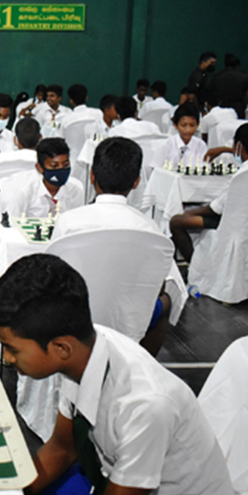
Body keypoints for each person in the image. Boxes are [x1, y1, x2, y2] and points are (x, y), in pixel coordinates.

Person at [0, 253, 238, 495]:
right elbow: (62, 449)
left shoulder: (145, 406)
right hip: (106, 478)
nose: (6, 357)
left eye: (13, 348)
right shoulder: (87, 349)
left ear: (60, 348)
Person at [53, 137, 179, 356]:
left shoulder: (69, 222)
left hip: (71, 323)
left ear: (92, 175)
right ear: (137, 182)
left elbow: (55, 277)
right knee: (166, 301)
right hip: (127, 325)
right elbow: (158, 285)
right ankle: (140, 365)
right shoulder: (150, 229)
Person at [169, 123, 248, 261]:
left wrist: (190, 212)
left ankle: (193, 266)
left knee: (177, 221)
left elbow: (215, 209)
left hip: (236, 223)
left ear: (239, 145)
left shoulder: (243, 175)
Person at [0, 138, 84, 218]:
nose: (61, 170)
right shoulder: (25, 194)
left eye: (66, 165)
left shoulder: (75, 193)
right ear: (39, 168)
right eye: (54, 166)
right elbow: (11, 224)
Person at [158, 103, 207, 170]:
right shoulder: (166, 145)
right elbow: (156, 169)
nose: (188, 129)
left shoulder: (201, 145)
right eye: (183, 125)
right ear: (175, 125)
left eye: (192, 125)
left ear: (198, 124)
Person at [207, 53, 248, 118]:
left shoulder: (216, 77)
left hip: (221, 108)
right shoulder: (244, 77)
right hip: (238, 109)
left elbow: (209, 97)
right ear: (237, 65)